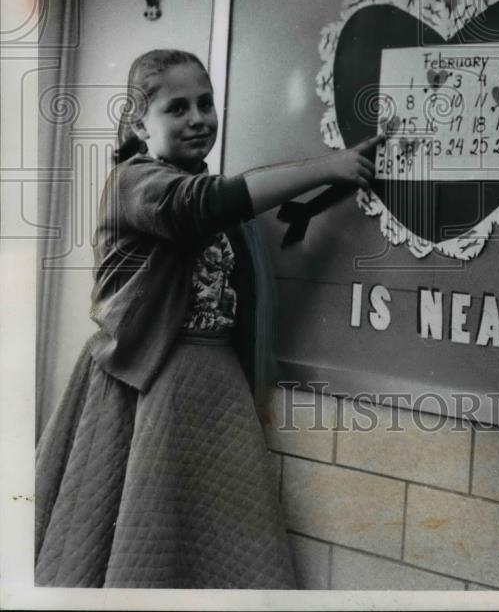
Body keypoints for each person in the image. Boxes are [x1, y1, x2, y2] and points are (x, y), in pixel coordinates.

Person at [35, 49, 382, 588]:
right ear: (137, 122)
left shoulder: (194, 183)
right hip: (145, 384)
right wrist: (329, 166)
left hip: (211, 385)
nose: (198, 118)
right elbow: (205, 203)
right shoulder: (136, 182)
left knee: (220, 549)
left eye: (206, 103)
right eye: (176, 108)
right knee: (143, 541)